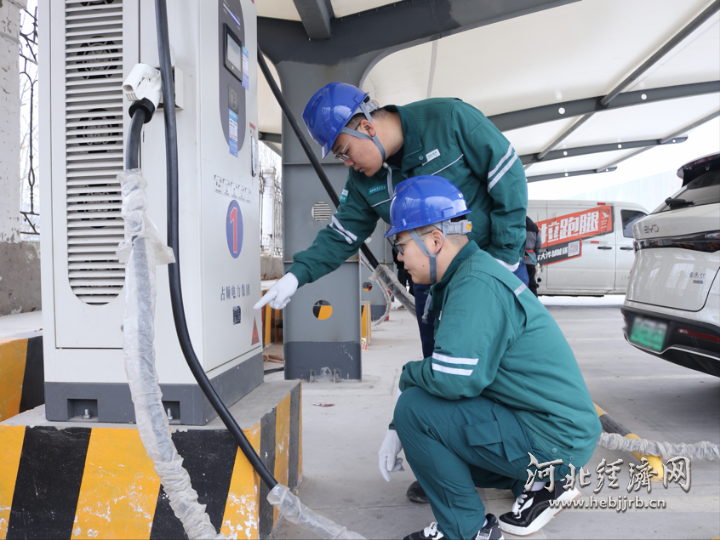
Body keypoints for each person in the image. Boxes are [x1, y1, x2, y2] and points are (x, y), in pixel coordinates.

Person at [377, 176, 601, 540]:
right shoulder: (469, 274)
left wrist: (406, 380)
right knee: (435, 439)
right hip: (555, 428)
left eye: (400, 245)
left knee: (414, 411)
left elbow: (452, 378)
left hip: (554, 439)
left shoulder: (475, 285)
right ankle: (539, 483)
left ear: (434, 241)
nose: (399, 257)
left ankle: (467, 530)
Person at [254, 82, 529, 364]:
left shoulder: (449, 119)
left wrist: (504, 259)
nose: (346, 163)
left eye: (343, 150)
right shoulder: (363, 181)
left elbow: (507, 177)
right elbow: (342, 235)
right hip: (432, 284)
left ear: (366, 127)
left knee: (511, 362)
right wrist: (295, 276)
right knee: (444, 365)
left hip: (493, 265)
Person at [524, 216, 544, 297]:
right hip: (530, 260)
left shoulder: (518, 226)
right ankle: (534, 300)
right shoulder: (534, 227)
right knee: (531, 282)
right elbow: (538, 244)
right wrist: (535, 256)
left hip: (519, 261)